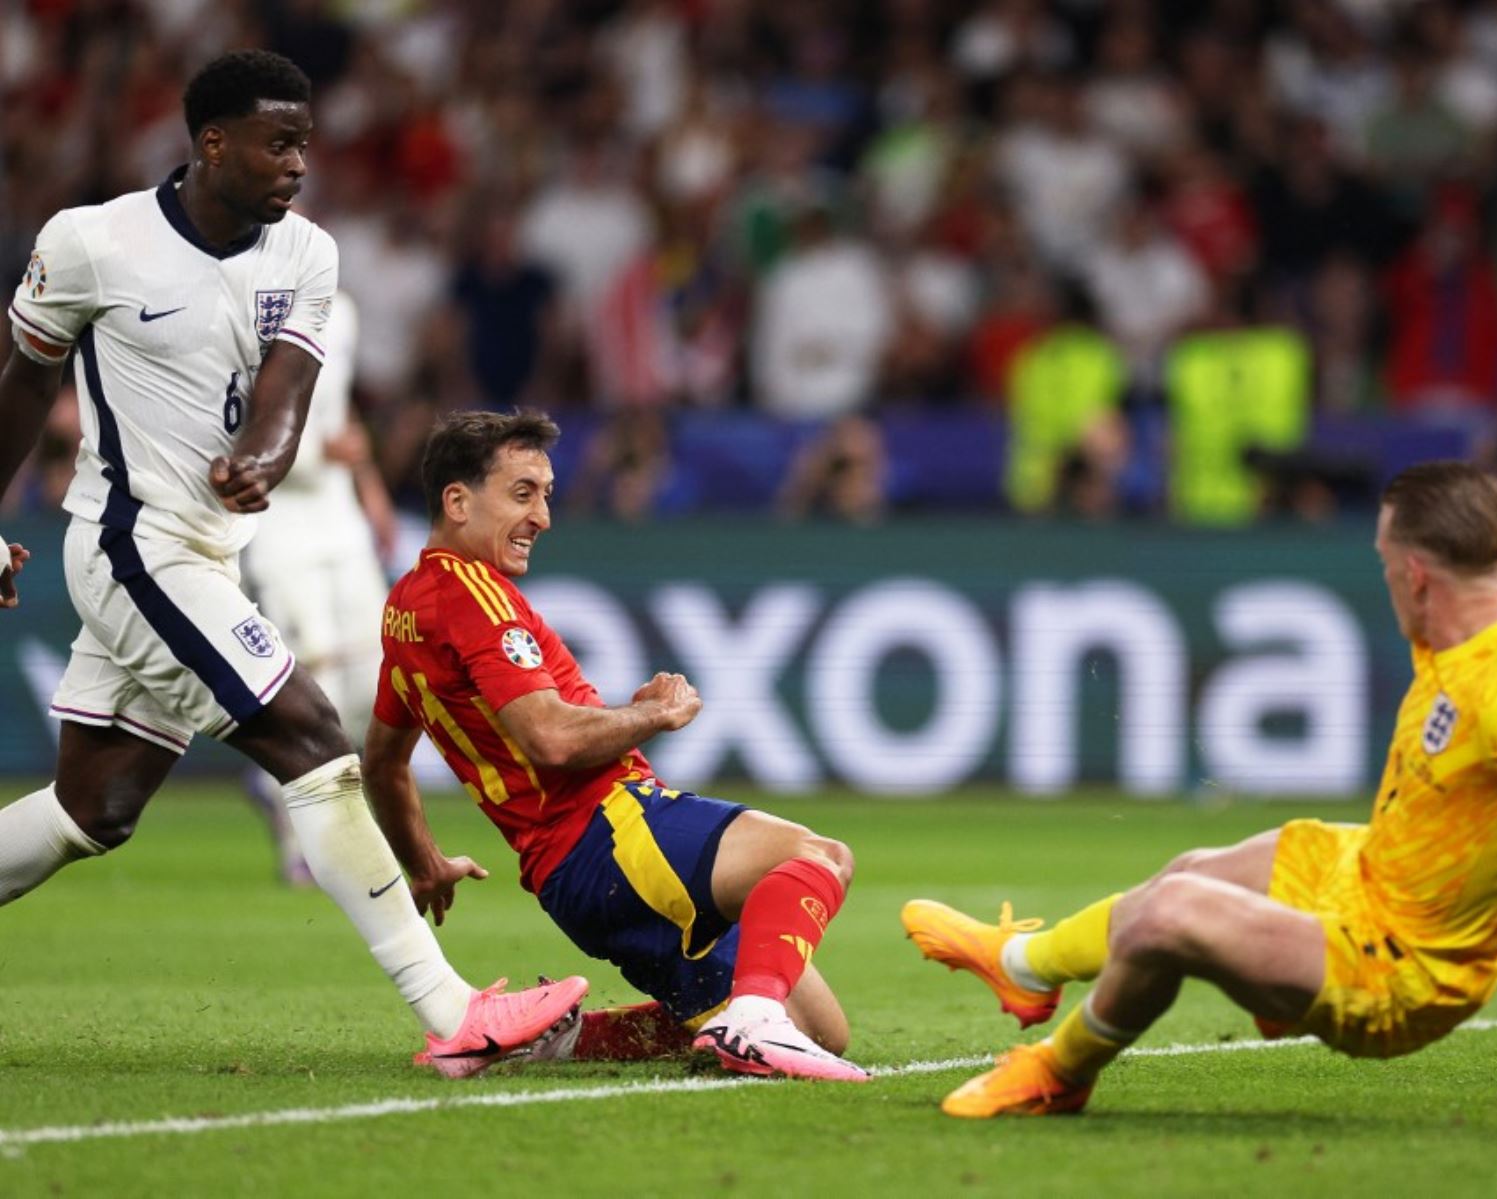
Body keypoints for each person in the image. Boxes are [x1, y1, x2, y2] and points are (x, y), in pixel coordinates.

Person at [904, 355, 1497, 1115]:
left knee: (1173, 916)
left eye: (1383, 560)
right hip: (1370, 868)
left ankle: (1060, 1070)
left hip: (1402, 968)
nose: (1383, 574)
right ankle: (1023, 968)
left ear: (1417, 573)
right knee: (1190, 870)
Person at [0, 49, 584, 1078]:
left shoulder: (305, 252)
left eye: (305, 142)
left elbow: (291, 385)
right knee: (313, 735)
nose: (298, 163)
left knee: (95, 807)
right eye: (278, 142)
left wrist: (264, 459)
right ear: (212, 143)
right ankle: (454, 1008)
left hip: (210, 552)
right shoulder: (93, 243)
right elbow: (18, 384)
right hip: (131, 545)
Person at [361, 409, 868, 1083]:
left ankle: (561, 1039)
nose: (542, 516)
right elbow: (550, 737)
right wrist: (651, 713)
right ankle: (749, 1021)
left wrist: (423, 862)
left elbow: (383, 761)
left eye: (545, 493)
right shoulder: (474, 595)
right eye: (522, 493)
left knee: (823, 1030)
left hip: (573, 878)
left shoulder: (409, 605)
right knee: (821, 855)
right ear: (457, 500)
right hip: (611, 832)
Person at [240, 290, 395, 886]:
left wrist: (370, 486)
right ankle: (298, 842)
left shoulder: (343, 309)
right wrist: (311, 452)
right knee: (312, 685)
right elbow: (238, 413)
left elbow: (338, 409)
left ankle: (298, 799)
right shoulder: (247, 302)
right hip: (276, 521)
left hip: (339, 519)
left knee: (372, 680)